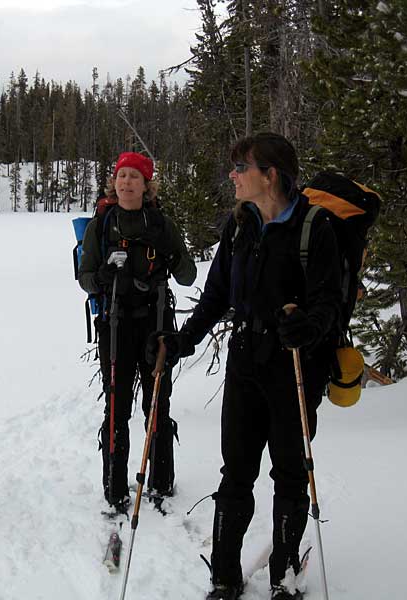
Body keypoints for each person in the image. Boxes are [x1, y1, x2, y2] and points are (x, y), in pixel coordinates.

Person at [151, 133, 342, 600]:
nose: (233, 175)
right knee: (236, 471)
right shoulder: (239, 226)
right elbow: (216, 295)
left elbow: (328, 301)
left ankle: (284, 576)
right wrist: (183, 340)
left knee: (290, 472)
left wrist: (309, 327)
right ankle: (224, 575)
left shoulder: (315, 228)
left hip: (294, 367)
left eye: (241, 167)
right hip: (245, 363)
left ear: (270, 174)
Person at [78, 151, 197, 513]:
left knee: (157, 402)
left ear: (147, 185)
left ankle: (161, 482)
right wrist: (102, 278)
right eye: (121, 175)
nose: (126, 182)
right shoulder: (103, 223)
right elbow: (85, 277)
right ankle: (114, 489)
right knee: (116, 405)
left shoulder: (161, 224)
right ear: (114, 182)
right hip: (115, 324)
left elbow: (188, 275)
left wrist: (169, 253)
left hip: (156, 323)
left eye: (134, 176)